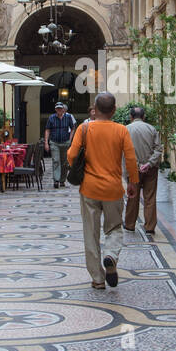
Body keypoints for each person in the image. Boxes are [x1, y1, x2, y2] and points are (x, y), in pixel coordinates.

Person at [67, 92, 138, 290]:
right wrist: (132, 182)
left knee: (90, 233)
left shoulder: (84, 128)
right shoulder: (121, 130)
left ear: (95, 110)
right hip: (113, 189)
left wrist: (81, 168)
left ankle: (98, 278)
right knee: (114, 228)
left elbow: (71, 155)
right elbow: (131, 159)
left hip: (89, 188)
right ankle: (111, 255)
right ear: (114, 110)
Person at [123, 106, 162, 239]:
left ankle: (129, 224)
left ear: (131, 117)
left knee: (133, 196)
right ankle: (150, 227)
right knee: (150, 197)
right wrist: (149, 163)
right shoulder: (152, 129)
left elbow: (123, 152)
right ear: (144, 117)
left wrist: (136, 166)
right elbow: (158, 149)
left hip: (133, 169)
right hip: (150, 169)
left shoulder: (126, 129)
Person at [45, 101, 77, 188]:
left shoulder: (68, 117)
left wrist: (70, 139)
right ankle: (56, 180)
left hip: (65, 142)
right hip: (54, 142)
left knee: (64, 162)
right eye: (57, 108)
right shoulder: (51, 118)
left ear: (63, 109)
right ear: (55, 109)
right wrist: (46, 143)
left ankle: (62, 180)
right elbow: (47, 130)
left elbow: (73, 128)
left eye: (60, 108)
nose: (59, 110)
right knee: (56, 161)